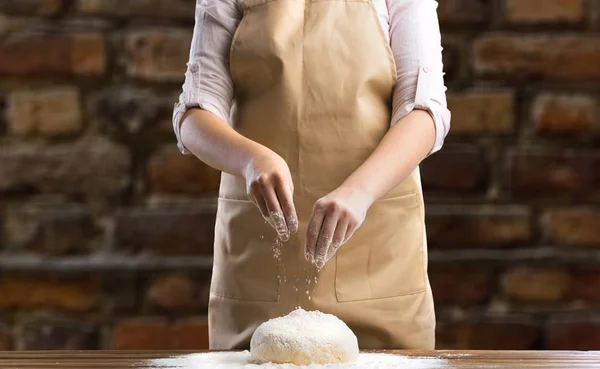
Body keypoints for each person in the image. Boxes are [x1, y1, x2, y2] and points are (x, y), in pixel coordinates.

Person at [173, 0, 451, 350]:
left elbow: (424, 110)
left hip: (377, 257)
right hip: (259, 263)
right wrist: (249, 160)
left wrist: (359, 191)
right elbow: (196, 112)